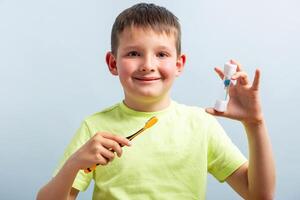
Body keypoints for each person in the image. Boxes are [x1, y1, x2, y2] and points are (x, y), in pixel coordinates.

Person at [37, 3, 275, 200]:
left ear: (179, 64)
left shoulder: (201, 125)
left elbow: (259, 195)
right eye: (133, 53)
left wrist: (255, 123)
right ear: (112, 63)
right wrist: (74, 164)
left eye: (161, 54)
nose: (148, 65)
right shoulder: (95, 128)